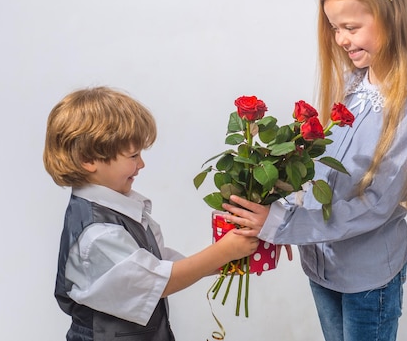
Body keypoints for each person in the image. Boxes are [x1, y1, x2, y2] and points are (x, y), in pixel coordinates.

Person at [222, 0, 407, 341]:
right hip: (322, 265)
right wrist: (286, 213)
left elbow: (376, 204)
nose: (341, 39)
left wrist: (287, 225)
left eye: (351, 27)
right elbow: (319, 171)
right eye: (334, 28)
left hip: (366, 278)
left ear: (393, 19)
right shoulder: (351, 84)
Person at [43, 86, 259, 341]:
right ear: (89, 159)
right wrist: (223, 252)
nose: (141, 164)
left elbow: (156, 262)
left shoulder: (116, 209)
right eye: (133, 155)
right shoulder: (97, 233)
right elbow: (160, 281)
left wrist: (223, 262)